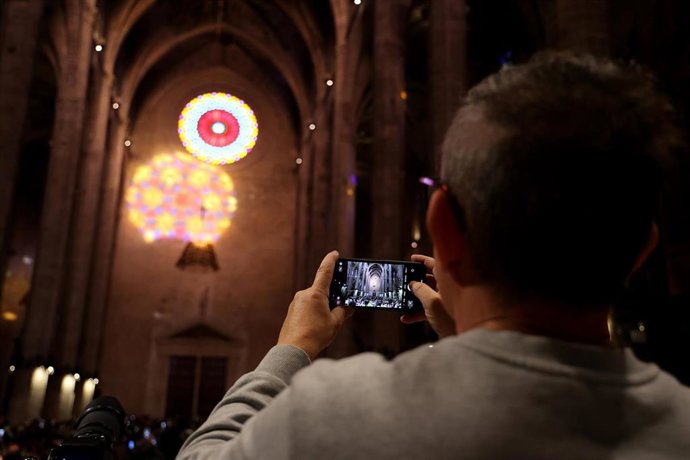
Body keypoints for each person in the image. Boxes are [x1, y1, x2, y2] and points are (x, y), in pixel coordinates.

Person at [177, 53, 690, 459]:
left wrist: (290, 350)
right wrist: (465, 337)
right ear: (642, 250)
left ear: (442, 228)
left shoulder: (340, 415)